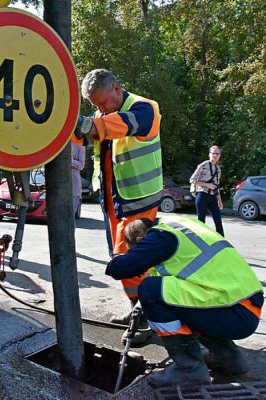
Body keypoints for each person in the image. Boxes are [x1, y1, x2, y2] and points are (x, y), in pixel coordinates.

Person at [106, 216, 264, 387]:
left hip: (231, 313)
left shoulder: (160, 236)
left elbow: (121, 268)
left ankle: (189, 369)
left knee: (150, 289)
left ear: (140, 240)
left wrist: (119, 260)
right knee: (180, 302)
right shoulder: (182, 226)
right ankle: (228, 358)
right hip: (244, 309)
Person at [74, 69, 163, 345]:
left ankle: (146, 318)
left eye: (102, 102)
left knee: (130, 260)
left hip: (139, 200)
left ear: (116, 88)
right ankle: (139, 310)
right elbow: (86, 136)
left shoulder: (144, 108)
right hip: (115, 200)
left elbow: (123, 124)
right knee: (124, 259)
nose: (100, 109)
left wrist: (89, 125)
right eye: (95, 106)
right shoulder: (103, 117)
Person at [190, 145, 224, 236]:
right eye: (213, 153)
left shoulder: (218, 169)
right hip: (202, 195)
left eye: (217, 153)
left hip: (212, 197)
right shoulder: (203, 165)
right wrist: (207, 185)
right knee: (201, 220)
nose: (215, 155)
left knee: (218, 219)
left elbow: (216, 186)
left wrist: (220, 201)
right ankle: (199, 240)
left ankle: (222, 241)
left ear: (220, 155)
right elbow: (192, 180)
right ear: (209, 154)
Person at [71, 135, 86, 220]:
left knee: (70, 216)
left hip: (74, 186)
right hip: (60, 185)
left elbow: (81, 165)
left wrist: (70, 161)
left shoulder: (79, 144)